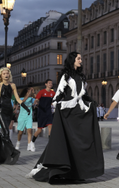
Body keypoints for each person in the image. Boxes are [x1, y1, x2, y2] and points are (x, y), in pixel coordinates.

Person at [26, 51, 104, 184]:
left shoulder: (82, 77)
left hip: (79, 112)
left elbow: (82, 94)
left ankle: (78, 171)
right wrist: (55, 104)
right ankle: (57, 169)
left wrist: (92, 102)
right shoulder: (66, 76)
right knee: (65, 141)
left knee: (79, 142)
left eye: (81, 58)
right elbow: (60, 92)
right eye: (79, 58)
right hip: (68, 112)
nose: (81, 60)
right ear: (73, 60)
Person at [0, 67, 30, 165]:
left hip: (9, 111)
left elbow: (17, 99)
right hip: (1, 111)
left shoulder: (13, 85)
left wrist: (25, 107)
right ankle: (12, 152)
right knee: (5, 132)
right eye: (4, 73)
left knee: (5, 134)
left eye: (7, 73)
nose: (6, 75)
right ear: (1, 75)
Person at [32, 79, 55, 143]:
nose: (51, 84)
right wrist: (36, 102)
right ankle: (32, 141)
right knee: (39, 130)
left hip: (48, 111)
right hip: (41, 112)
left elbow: (55, 100)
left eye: (51, 83)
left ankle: (50, 142)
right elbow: (36, 99)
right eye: (49, 83)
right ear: (46, 84)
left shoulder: (53, 93)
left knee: (50, 125)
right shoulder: (41, 92)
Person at [15, 86, 36, 152]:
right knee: (20, 132)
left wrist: (33, 92)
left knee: (29, 131)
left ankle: (29, 145)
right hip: (22, 117)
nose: (29, 92)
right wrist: (28, 95)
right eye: (28, 91)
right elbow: (23, 101)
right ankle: (18, 143)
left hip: (29, 117)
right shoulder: (20, 98)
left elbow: (36, 100)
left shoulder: (30, 98)